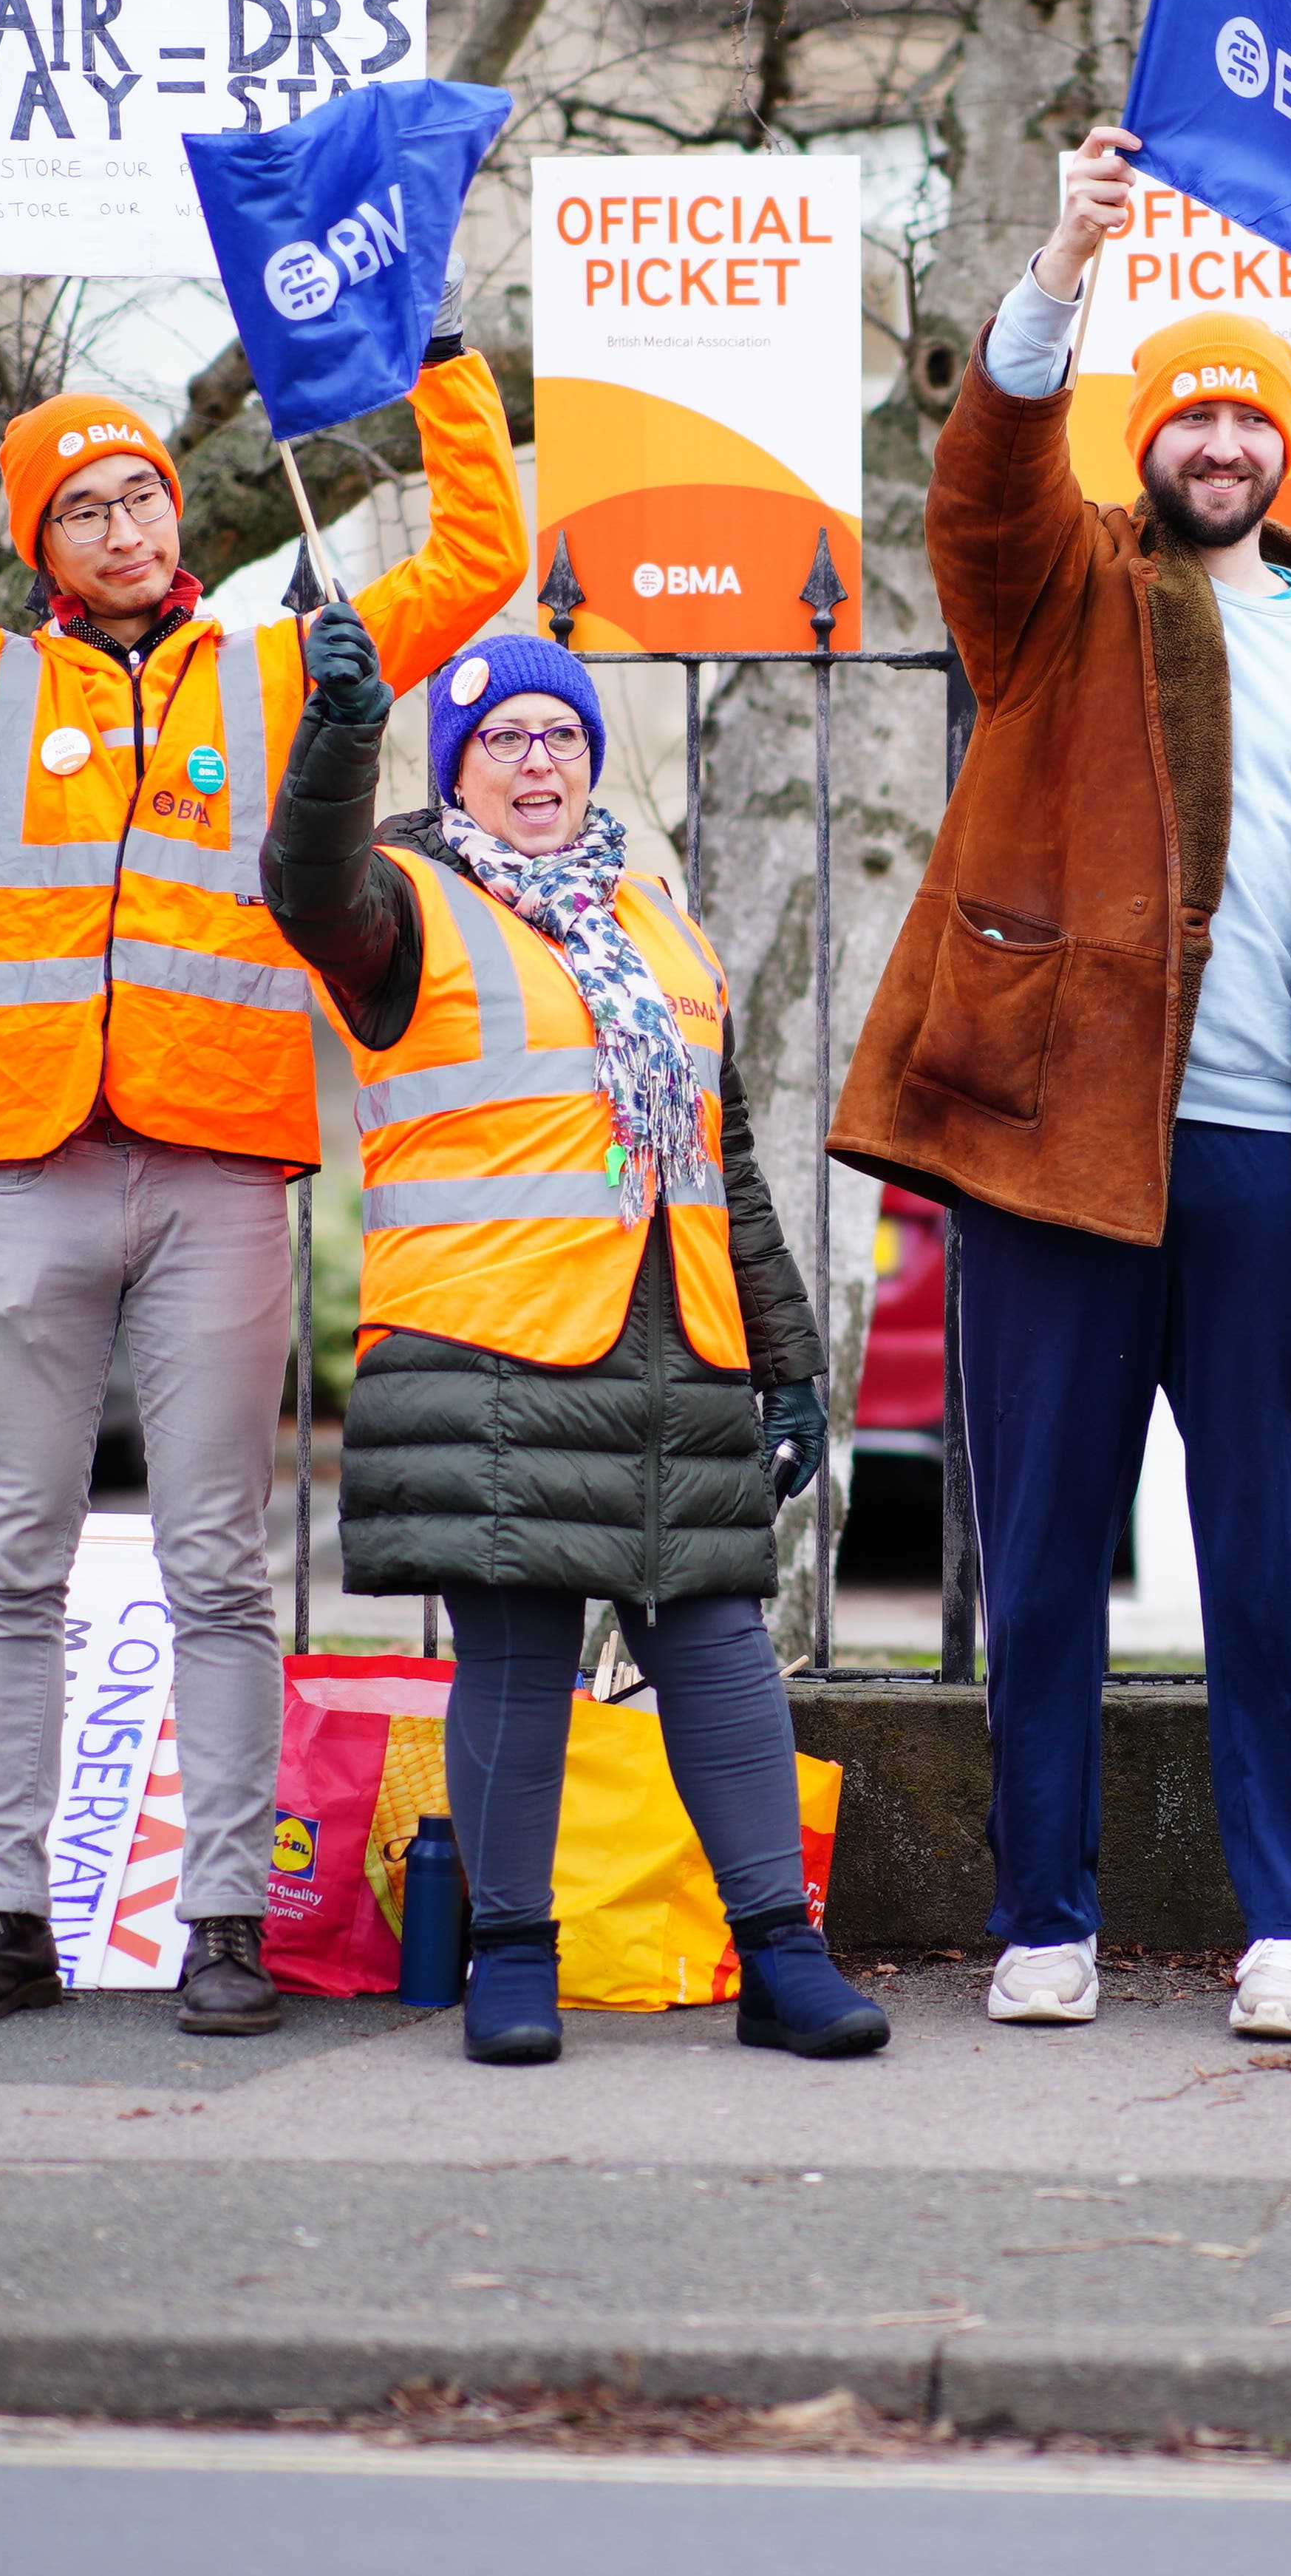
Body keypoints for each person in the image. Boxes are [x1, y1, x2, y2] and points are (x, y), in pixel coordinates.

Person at [0, 221, 528, 2036]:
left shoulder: (288, 664)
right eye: (88, 506)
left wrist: (430, 346)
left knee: (215, 1561)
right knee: (13, 1550)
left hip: (217, 1170)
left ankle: (220, 1920)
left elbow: (485, 552)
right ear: (39, 543)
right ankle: (8, 1912)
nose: (128, 526)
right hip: (29, 1168)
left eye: (143, 495)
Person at [831, 121, 1291, 2039]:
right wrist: (1060, 271)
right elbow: (980, 489)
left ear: (1284, 450)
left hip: (1280, 1172)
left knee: (1276, 1568)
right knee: (1038, 1555)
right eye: (1187, 419)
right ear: (1151, 443)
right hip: (1058, 1156)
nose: (1218, 445)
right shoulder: (1062, 591)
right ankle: (1046, 1924)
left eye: (1246, 422)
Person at [261, 624, 878, 2063]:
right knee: (521, 1647)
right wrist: (342, 737)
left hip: (676, 1346)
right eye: (500, 740)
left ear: (592, 756)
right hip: (496, 1341)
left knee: (719, 1637)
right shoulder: (400, 904)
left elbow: (724, 1162)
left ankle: (781, 1953)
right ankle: (511, 1951)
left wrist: (786, 1359)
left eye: (560, 737)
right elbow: (303, 883)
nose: (535, 763)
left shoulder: (656, 918)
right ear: (456, 769)